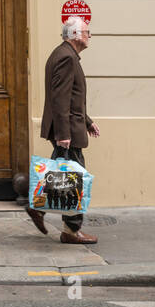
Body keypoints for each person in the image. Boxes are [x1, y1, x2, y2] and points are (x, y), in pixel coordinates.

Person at [27, 15, 100, 244]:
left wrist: (87, 121)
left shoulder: (65, 55)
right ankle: (70, 230)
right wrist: (63, 135)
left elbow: (72, 97)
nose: (89, 36)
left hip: (71, 127)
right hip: (67, 130)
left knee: (64, 176)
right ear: (75, 35)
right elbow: (60, 99)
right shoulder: (66, 58)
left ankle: (41, 210)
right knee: (74, 178)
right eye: (87, 32)